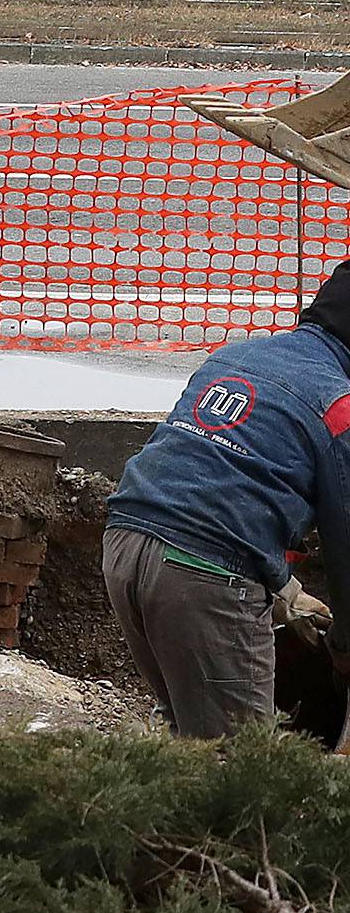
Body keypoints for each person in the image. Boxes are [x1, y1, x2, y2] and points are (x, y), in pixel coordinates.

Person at [103, 264, 350, 737]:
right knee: (242, 772)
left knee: (190, 740)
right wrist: (343, 648)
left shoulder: (235, 357)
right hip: (202, 575)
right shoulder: (337, 402)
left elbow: (214, 485)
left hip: (123, 544)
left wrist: (290, 599)